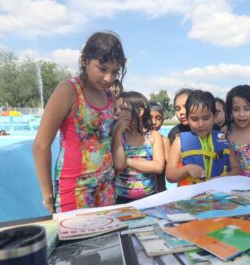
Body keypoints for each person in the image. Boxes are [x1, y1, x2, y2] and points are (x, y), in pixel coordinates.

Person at [33, 31, 127, 213]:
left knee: (106, 240)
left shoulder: (108, 94)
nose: (108, 78)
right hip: (76, 188)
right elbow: (41, 146)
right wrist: (47, 195)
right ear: (85, 61)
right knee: (77, 240)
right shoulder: (69, 90)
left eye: (115, 72)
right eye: (102, 69)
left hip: (106, 185)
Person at [166, 90, 240, 186]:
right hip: (191, 197)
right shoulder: (179, 141)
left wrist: (223, 179)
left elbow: (237, 168)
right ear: (187, 118)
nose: (200, 124)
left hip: (219, 194)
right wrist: (187, 169)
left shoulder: (222, 139)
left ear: (214, 116)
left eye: (206, 118)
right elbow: (169, 175)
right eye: (194, 119)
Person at [112, 92, 165, 203]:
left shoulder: (153, 136)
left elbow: (158, 166)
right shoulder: (118, 136)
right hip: (121, 199)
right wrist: (117, 132)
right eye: (116, 109)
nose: (117, 113)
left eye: (123, 108)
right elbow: (119, 164)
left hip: (149, 199)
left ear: (140, 112)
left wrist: (128, 161)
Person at [149, 101, 170, 192]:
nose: (154, 122)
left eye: (158, 118)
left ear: (162, 121)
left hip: (159, 191)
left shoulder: (164, 141)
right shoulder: (137, 140)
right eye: (150, 118)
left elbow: (170, 170)